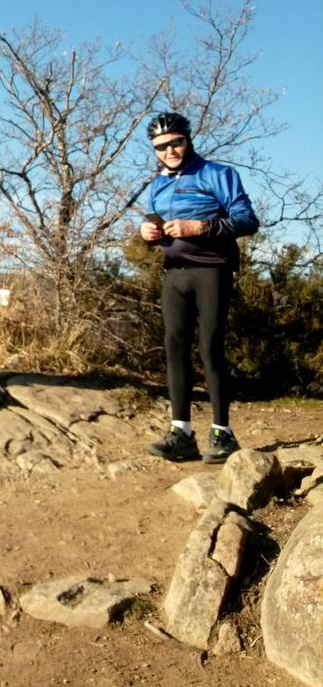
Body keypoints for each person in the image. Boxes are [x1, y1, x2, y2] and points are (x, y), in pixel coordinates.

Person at [140, 112, 258, 464]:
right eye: (161, 147)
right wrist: (147, 235)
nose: (170, 150)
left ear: (188, 139)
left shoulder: (218, 174)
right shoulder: (157, 184)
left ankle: (223, 434)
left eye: (175, 142)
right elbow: (153, 223)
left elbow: (247, 220)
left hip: (212, 270)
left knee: (210, 346)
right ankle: (182, 434)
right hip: (174, 273)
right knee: (174, 346)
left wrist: (200, 228)